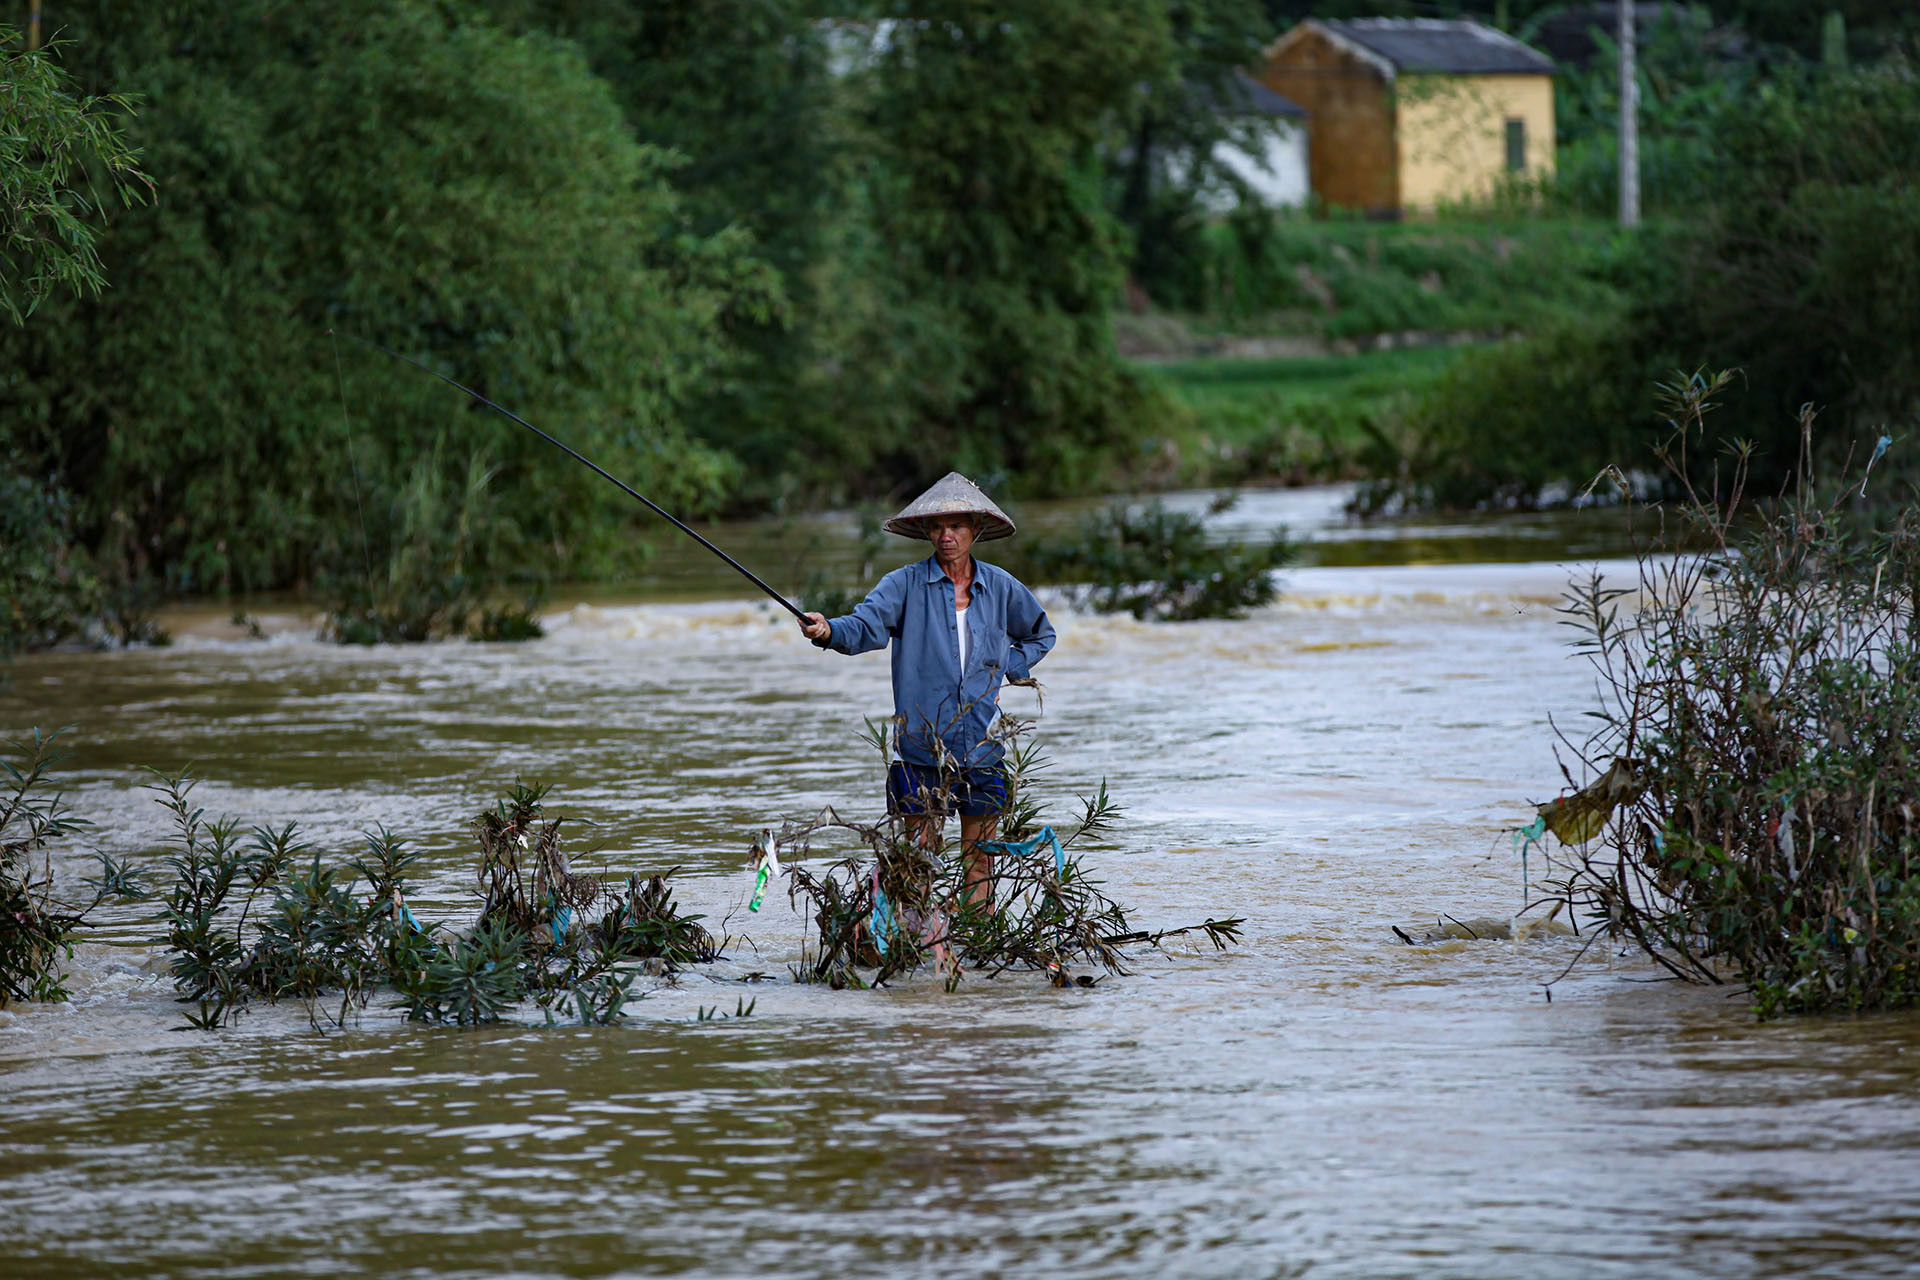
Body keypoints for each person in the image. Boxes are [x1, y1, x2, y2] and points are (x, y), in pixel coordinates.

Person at [799, 472, 1055, 908]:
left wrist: (1004, 668)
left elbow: (1040, 635)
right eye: (937, 527)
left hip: (983, 746)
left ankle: (976, 943)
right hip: (920, 747)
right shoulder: (903, 585)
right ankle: (918, 953)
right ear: (925, 532)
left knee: (979, 862)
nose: (946, 536)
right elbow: (863, 627)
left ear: (975, 529)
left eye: (956, 526)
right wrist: (827, 630)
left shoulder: (1001, 587)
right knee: (918, 864)